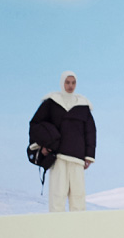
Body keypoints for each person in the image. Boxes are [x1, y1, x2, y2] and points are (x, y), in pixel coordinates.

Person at [29, 70, 96, 211]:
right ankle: (56, 222)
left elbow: (90, 132)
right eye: (67, 82)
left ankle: (78, 223)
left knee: (78, 194)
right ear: (62, 83)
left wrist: (89, 156)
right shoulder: (51, 102)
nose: (70, 86)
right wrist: (42, 147)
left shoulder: (83, 105)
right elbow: (36, 124)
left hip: (77, 157)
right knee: (57, 193)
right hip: (58, 156)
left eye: (73, 83)